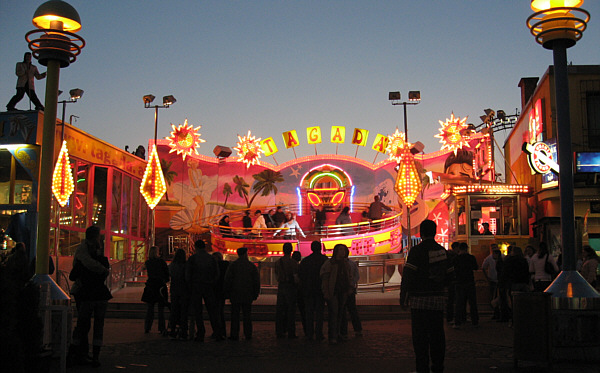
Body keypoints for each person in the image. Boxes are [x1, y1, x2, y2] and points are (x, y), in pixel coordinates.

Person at [400, 219, 454, 373]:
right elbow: (450, 276)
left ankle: (422, 367)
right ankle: (438, 366)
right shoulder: (442, 251)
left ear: (421, 233)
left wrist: (404, 296)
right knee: (437, 334)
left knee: (420, 336)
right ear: (435, 232)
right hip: (437, 299)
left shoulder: (417, 251)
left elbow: (408, 275)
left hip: (418, 300)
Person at [69, 227, 112, 367]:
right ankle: (91, 354)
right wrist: (103, 270)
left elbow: (75, 273)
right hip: (97, 293)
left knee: (83, 323)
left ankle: (78, 352)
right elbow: (103, 269)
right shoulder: (94, 256)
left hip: (86, 292)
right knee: (96, 325)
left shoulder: (83, 254)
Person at [186, 239, 222, 342]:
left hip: (196, 286)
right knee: (212, 310)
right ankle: (217, 331)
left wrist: (190, 284)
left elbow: (188, 274)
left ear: (196, 247)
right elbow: (216, 273)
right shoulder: (211, 258)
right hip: (208, 286)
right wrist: (212, 282)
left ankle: (201, 332)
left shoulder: (193, 259)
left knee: (198, 311)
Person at [224, 247, 260, 341]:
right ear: (245, 254)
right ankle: (248, 334)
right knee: (247, 315)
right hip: (247, 293)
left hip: (235, 293)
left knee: (235, 315)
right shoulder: (250, 266)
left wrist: (228, 292)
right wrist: (255, 293)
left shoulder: (233, 265)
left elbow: (228, 279)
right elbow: (256, 280)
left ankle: (234, 334)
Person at [320, 244, 353, 345]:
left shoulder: (345, 264)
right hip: (333, 291)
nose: (342, 252)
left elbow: (349, 276)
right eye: (340, 250)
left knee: (340, 314)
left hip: (342, 291)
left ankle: (337, 333)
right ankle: (333, 335)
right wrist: (326, 291)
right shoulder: (330, 263)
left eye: (344, 250)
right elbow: (325, 278)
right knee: (334, 314)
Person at [298, 241, 328, 341]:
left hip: (308, 290)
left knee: (309, 313)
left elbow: (301, 275)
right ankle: (319, 333)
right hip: (320, 290)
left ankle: (309, 333)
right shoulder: (325, 260)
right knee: (319, 313)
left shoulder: (306, 261)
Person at [141, 246, 170, 335]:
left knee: (150, 308)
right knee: (161, 309)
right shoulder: (161, 262)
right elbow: (166, 274)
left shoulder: (148, 262)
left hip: (151, 285)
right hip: (160, 286)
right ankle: (161, 328)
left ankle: (147, 327)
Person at [452, 242, 479, 329]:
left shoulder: (456, 259)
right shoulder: (471, 258)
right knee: (472, 303)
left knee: (459, 303)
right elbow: (476, 267)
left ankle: (458, 322)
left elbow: (453, 270)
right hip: (470, 282)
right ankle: (475, 321)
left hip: (459, 282)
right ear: (467, 248)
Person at [275, 242, 299, 338]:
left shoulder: (278, 262)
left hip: (281, 286)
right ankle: (291, 331)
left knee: (280, 310)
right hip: (290, 287)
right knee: (291, 310)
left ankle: (280, 330)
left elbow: (277, 275)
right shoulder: (294, 263)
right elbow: (296, 277)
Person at [340, 250, 362, 339]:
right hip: (348, 290)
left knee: (346, 311)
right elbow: (357, 276)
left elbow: (356, 276)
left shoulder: (349, 264)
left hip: (346, 290)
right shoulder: (352, 264)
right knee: (352, 310)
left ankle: (344, 332)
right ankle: (357, 330)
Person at [168, 249, 189, 340]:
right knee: (184, 310)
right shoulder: (186, 266)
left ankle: (172, 329)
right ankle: (183, 330)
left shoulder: (172, 265)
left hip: (175, 288)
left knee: (174, 309)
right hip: (184, 289)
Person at [212, 251, 229, 340]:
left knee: (217, 312)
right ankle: (222, 331)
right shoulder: (225, 266)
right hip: (221, 291)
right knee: (219, 311)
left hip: (216, 291)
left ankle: (218, 331)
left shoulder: (214, 267)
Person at [482, 244, 501, 319]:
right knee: (497, 297)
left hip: (494, 280)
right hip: (495, 280)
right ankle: (497, 313)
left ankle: (496, 313)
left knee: (494, 297)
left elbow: (483, 267)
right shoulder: (502, 257)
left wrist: (487, 277)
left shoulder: (489, 258)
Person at [292, 251, 307, 336]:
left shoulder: (282, 263)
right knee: (303, 312)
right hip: (300, 291)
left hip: (291, 290)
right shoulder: (300, 267)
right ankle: (306, 329)